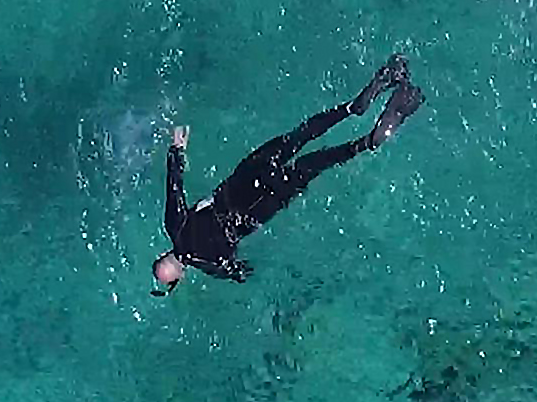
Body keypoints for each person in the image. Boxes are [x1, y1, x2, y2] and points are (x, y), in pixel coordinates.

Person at [154, 55, 424, 288]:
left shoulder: (214, 265)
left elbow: (244, 272)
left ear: (181, 275)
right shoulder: (175, 225)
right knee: (297, 137)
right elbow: (174, 184)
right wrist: (177, 147)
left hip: (260, 209)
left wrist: (241, 269)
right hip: (243, 182)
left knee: (312, 165)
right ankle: (352, 107)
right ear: (164, 253)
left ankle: (365, 143)